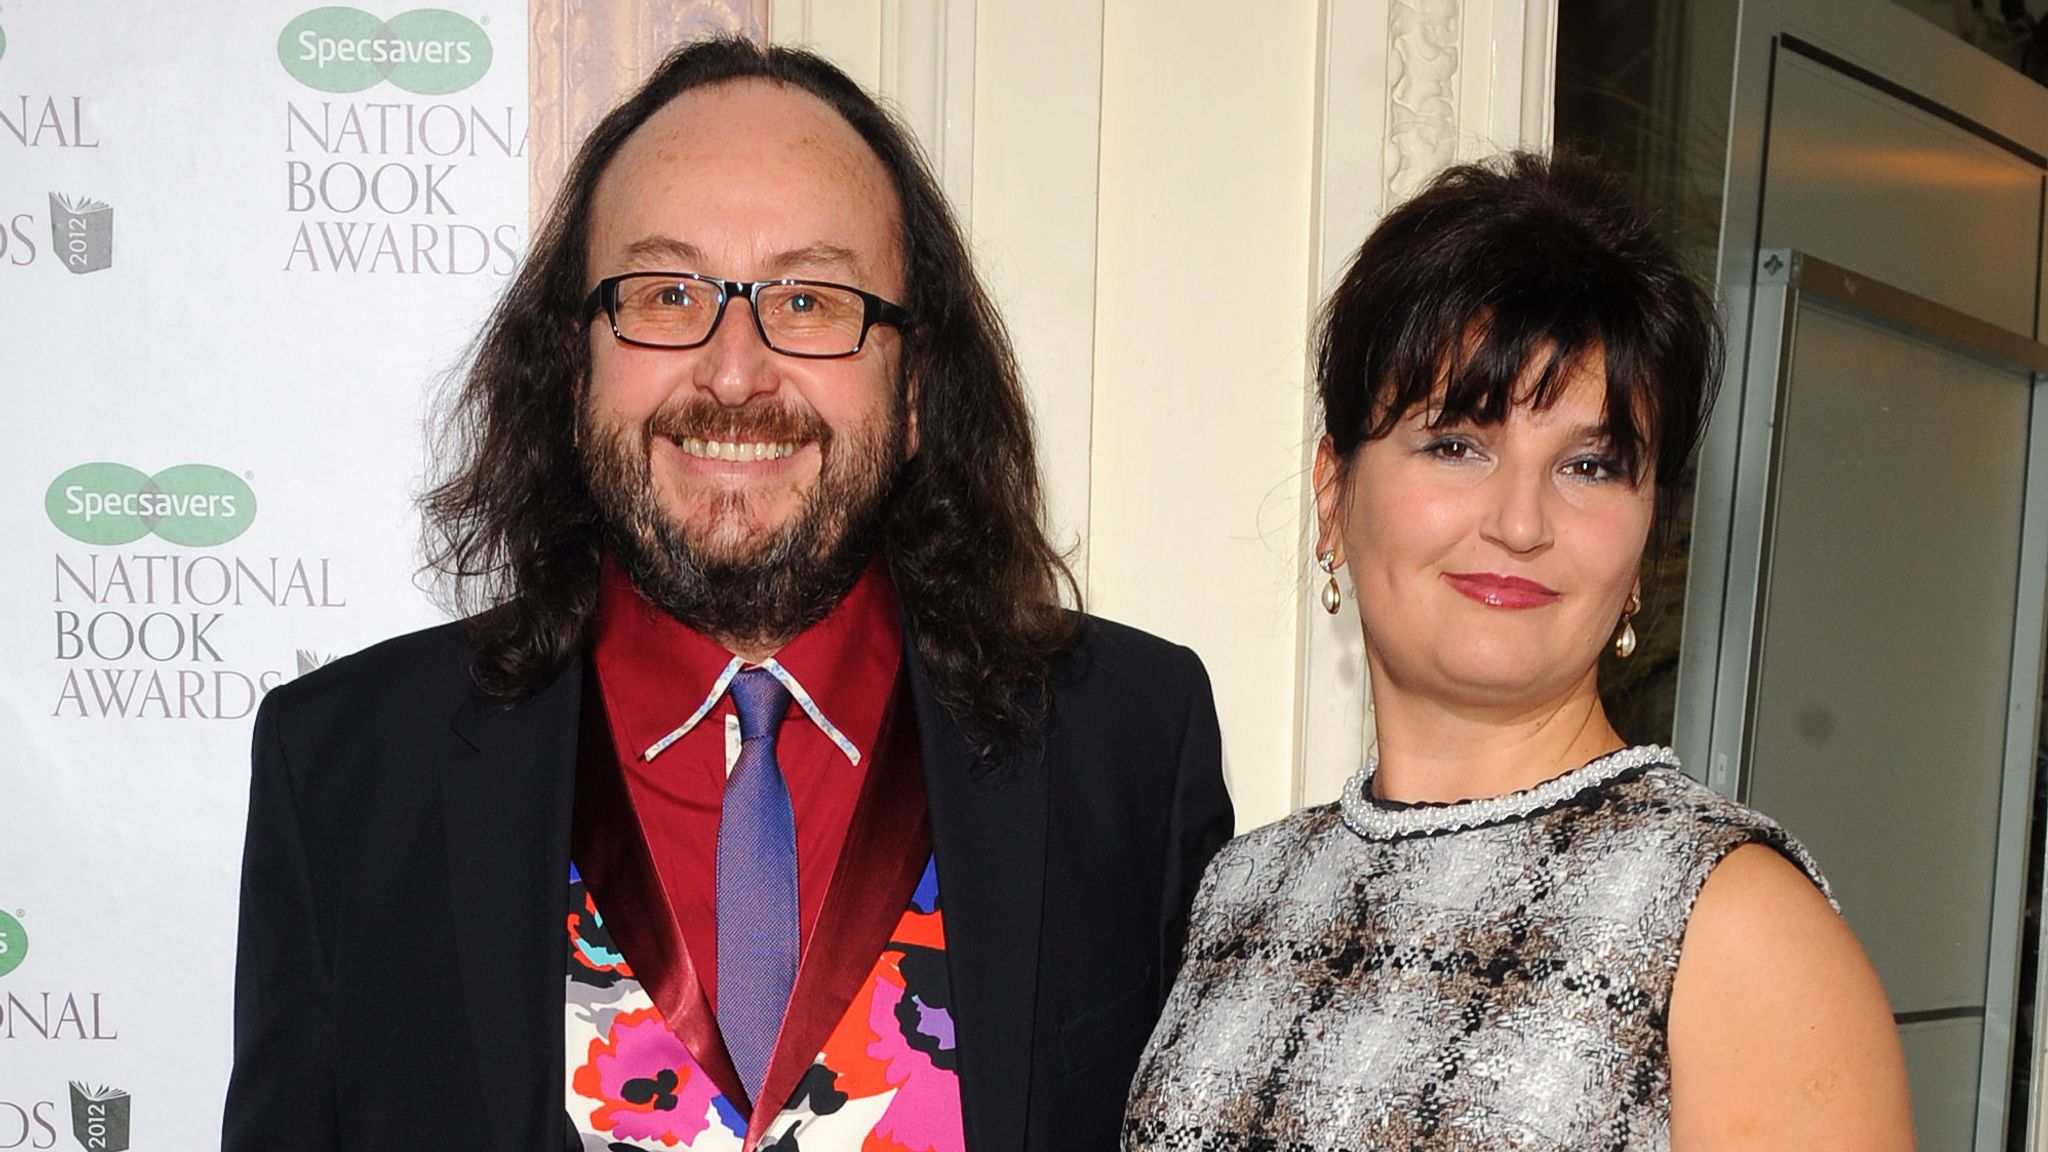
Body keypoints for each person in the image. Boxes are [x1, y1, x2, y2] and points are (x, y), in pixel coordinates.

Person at [222, 37, 1232, 1152]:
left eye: (808, 299)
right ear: (574, 370)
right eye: (666, 292)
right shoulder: (347, 772)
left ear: (912, 390)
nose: (736, 370)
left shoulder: (1127, 742)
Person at [1123, 153, 1911, 1150]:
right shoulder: (1241, 887)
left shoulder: (1730, 923)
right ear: (1334, 494)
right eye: (1455, 443)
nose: (1519, 521)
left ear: (1641, 544)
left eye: (1587, 465)